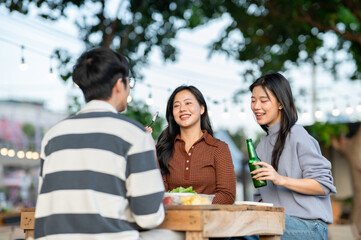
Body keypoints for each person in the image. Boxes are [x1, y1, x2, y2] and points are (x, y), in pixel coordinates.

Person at [34, 47, 183, 240]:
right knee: (176, 235)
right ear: (119, 84)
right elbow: (148, 217)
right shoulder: (135, 135)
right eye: (130, 82)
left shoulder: (52, 136)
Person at [248, 72, 336, 240]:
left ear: (281, 103)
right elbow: (262, 198)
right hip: (275, 222)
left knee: (250, 230)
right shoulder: (259, 147)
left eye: (263, 101)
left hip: (310, 226)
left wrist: (280, 179)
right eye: (253, 100)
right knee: (231, 231)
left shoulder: (297, 134)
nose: (256, 106)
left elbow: (323, 185)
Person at [155, 85, 236, 204]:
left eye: (188, 103)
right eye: (176, 105)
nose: (182, 109)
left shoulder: (219, 148)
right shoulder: (163, 149)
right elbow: (159, 194)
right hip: (174, 219)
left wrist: (196, 205)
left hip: (210, 220)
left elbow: (227, 195)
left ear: (202, 109)